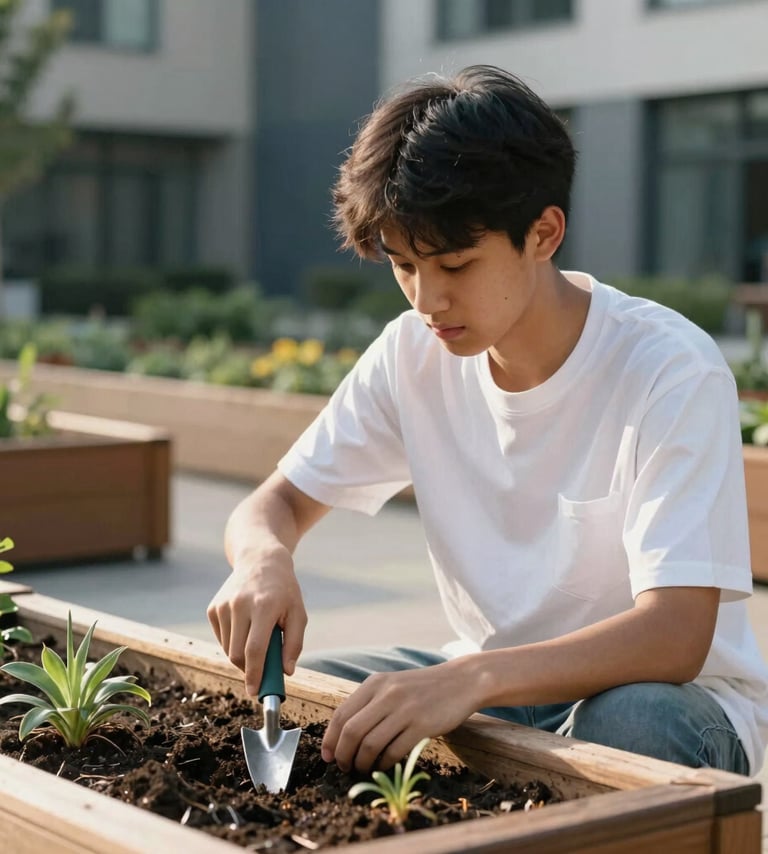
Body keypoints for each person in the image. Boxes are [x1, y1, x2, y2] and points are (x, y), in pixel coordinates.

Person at [207, 65, 768, 778]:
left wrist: (470, 680)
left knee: (629, 725)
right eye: (404, 265)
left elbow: (676, 634)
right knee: (329, 709)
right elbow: (277, 503)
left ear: (544, 232)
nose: (427, 300)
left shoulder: (669, 369)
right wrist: (263, 559)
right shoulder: (412, 355)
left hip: (674, 700)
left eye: (456, 264)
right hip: (498, 688)